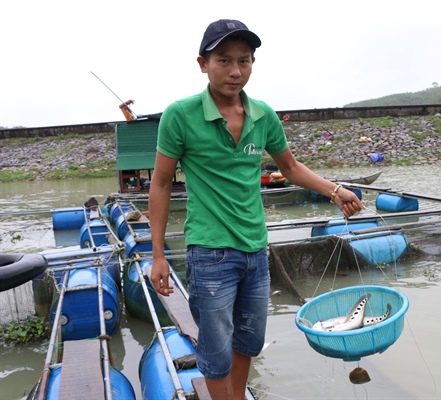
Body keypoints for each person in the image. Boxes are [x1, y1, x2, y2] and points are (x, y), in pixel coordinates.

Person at [149, 19, 365, 400]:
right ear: (203, 64)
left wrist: (336, 190)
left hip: (255, 250)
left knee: (248, 341)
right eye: (224, 60)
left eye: (245, 61)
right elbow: (161, 183)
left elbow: (291, 168)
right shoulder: (180, 115)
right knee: (215, 352)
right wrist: (158, 255)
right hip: (210, 251)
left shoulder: (263, 115)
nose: (235, 71)